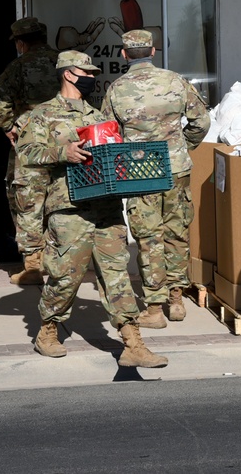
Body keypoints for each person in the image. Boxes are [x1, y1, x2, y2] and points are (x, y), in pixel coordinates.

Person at [15, 50, 167, 367]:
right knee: (65, 277)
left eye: (93, 73)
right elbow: (26, 153)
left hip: (106, 209)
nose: (92, 78)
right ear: (69, 74)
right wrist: (62, 151)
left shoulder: (98, 118)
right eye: (86, 72)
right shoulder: (41, 115)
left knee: (117, 276)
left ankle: (133, 343)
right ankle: (47, 332)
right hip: (69, 209)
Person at [101, 30, 211, 328]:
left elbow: (107, 133)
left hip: (140, 173)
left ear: (124, 54)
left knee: (149, 238)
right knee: (176, 232)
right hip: (177, 168)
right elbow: (201, 121)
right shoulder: (176, 81)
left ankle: (153, 308)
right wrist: (181, 147)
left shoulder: (116, 89)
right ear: (152, 51)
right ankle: (176, 301)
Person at [0, 17, 60, 285]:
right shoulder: (65, 62)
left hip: (31, 145)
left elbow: (0, 102)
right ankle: (60, 262)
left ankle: (34, 267)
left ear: (21, 43)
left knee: (28, 201)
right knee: (59, 200)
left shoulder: (19, 66)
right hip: (64, 144)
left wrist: (8, 126)